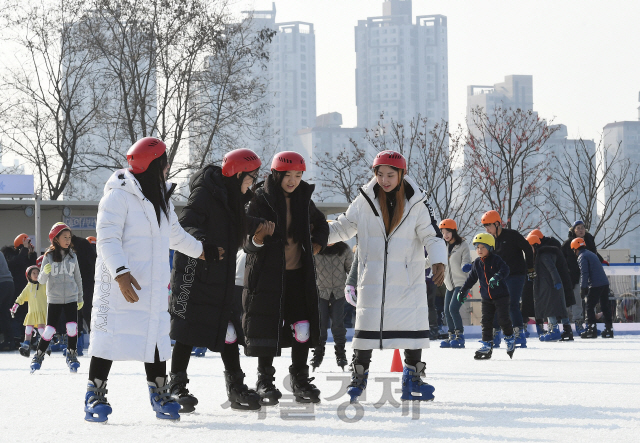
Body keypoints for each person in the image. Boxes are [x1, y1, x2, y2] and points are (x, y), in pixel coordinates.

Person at [85, 137, 205, 423]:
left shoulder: (161, 198)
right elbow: (107, 238)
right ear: (155, 164)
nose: (167, 168)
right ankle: (95, 394)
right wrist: (121, 273)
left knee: (154, 336)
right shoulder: (118, 195)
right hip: (119, 285)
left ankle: (160, 393)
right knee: (109, 337)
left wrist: (203, 251)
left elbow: (174, 235)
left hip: (151, 285)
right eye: (165, 163)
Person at [326, 150, 447, 403]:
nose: (384, 180)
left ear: (401, 174)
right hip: (372, 279)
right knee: (366, 330)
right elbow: (344, 226)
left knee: (412, 329)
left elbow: (432, 235)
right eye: (380, 174)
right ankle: (358, 379)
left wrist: (438, 260)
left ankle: (412, 379)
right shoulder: (364, 200)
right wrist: (317, 234)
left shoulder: (416, 202)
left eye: (390, 175)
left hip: (406, 280)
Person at [168, 148, 264, 413]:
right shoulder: (205, 193)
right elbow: (186, 223)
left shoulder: (231, 197)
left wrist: (259, 224)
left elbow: (232, 224)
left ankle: (235, 387)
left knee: (228, 330)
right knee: (186, 329)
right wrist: (204, 246)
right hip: (193, 269)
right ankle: (175, 386)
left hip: (219, 274)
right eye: (250, 177)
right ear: (237, 174)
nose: (252, 183)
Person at [243, 151, 329, 405]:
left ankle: (299, 379)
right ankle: (264, 381)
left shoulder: (304, 198)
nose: (293, 181)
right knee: (267, 327)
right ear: (276, 174)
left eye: (298, 175)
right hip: (267, 276)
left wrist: (317, 243)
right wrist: (257, 239)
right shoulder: (260, 199)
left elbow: (321, 224)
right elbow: (245, 238)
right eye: (288, 175)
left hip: (298, 276)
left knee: (302, 328)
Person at [30, 223, 83, 373]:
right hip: (54, 298)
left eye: (69, 237)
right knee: (49, 331)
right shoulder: (49, 256)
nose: (67, 240)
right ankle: (38, 356)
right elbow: (40, 281)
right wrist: (45, 272)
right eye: (64, 237)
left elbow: (78, 277)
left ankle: (72, 355)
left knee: (72, 327)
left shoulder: (73, 255)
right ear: (56, 238)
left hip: (71, 297)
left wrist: (80, 297)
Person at [481, 210, 534, 348]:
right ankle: (495, 335)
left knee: (512, 304)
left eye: (489, 226)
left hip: (516, 274)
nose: (487, 229)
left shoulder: (512, 235)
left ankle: (519, 335)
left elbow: (528, 249)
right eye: (485, 227)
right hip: (501, 277)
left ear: (497, 223)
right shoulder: (490, 241)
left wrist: (530, 268)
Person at [459, 233, 515, 360]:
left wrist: (497, 277)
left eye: (482, 247)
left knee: (503, 319)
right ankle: (487, 344)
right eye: (477, 247)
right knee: (486, 322)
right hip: (486, 298)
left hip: (501, 296)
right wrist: (463, 291)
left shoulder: (496, 260)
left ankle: (510, 338)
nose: (479, 250)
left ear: (490, 248)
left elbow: (505, 270)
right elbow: (471, 279)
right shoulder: (477, 263)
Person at [310, 232, 353, 371]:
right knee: (320, 325)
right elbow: (309, 271)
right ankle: (318, 354)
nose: (330, 241)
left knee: (338, 325)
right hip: (320, 292)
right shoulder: (315, 249)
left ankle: (341, 354)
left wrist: (354, 286)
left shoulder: (344, 250)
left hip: (339, 293)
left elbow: (351, 270)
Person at [527, 235, 575, 341]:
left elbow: (552, 269)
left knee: (550, 309)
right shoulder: (539, 256)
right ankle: (567, 331)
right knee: (560, 308)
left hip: (549, 286)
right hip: (548, 285)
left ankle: (554, 331)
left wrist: (557, 281)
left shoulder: (543, 255)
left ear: (534, 245)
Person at [561, 221, 604, 335]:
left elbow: (593, 253)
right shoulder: (567, 244)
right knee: (578, 301)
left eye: (582, 228)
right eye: (578, 228)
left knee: (591, 301)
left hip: (590, 276)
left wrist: (602, 260)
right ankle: (578, 323)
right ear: (573, 231)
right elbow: (561, 259)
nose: (581, 230)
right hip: (575, 276)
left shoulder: (589, 241)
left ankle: (591, 324)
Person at [438, 219, 472, 349]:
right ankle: (451, 336)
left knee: (453, 308)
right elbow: (432, 259)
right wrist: (418, 264)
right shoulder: (442, 246)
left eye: (448, 232)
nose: (445, 235)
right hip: (449, 284)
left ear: (454, 231)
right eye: (443, 232)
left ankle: (460, 337)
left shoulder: (463, 244)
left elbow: (466, 260)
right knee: (447, 310)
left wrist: (466, 267)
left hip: (461, 283)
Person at [571, 238, 613, 339]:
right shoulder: (591, 254)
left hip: (595, 284)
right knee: (604, 306)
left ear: (575, 249)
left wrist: (583, 287)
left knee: (589, 306)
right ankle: (609, 329)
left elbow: (585, 273)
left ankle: (591, 329)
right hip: (604, 283)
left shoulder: (582, 256)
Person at [1, 233, 37, 347]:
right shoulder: (9, 253)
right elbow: (14, 263)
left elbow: (33, 270)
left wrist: (32, 255)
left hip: (26, 290)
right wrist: (24, 251)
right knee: (14, 315)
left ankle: (25, 338)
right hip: (14, 290)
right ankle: (15, 338)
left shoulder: (25, 255)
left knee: (26, 315)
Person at [10, 265, 47, 357]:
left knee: (42, 330)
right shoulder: (28, 286)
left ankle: (45, 344)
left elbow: (51, 293)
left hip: (42, 312)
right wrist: (16, 304)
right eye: (34, 273)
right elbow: (22, 296)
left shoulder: (44, 285)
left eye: (38, 273)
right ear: (29, 276)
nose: (36, 275)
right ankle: (26, 344)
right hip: (32, 312)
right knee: (28, 328)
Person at [0, 251, 15, 351]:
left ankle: (8, 341)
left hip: (1, 283)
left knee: (3, 313)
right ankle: (9, 341)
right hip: (9, 283)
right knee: (4, 313)